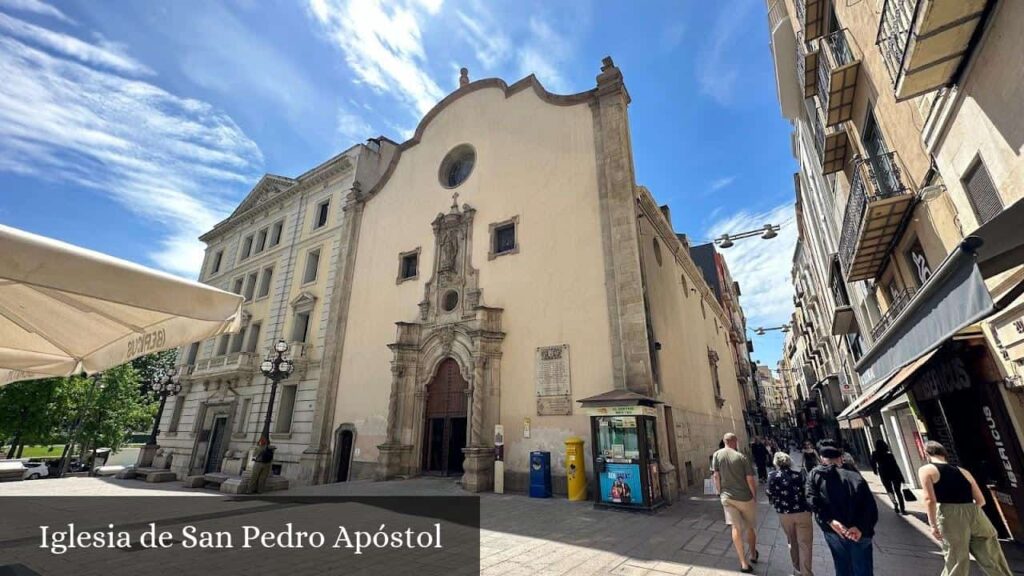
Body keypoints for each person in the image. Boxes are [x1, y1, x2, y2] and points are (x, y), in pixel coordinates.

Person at [918, 441, 1012, 576]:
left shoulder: (926, 470)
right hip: (975, 513)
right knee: (992, 558)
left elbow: (929, 500)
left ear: (926, 453)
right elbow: (981, 500)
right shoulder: (963, 471)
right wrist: (970, 512)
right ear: (944, 454)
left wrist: (933, 525)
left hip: (950, 513)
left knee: (956, 560)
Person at [807, 438, 878, 576]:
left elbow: (812, 500)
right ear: (840, 458)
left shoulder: (815, 475)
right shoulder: (855, 476)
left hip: (833, 530)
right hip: (858, 532)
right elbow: (869, 506)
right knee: (863, 569)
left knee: (842, 566)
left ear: (822, 458)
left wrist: (830, 521)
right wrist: (860, 527)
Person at [712, 432, 759, 573]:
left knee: (735, 528)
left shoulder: (716, 455)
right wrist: (754, 495)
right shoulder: (741, 457)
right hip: (744, 497)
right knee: (750, 527)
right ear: (735, 441)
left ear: (724, 441)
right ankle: (752, 554)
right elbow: (750, 479)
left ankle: (743, 563)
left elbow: (716, 475)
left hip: (727, 497)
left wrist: (719, 492)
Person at [767, 452, 814, 576]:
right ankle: (806, 573)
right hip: (802, 512)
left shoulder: (772, 476)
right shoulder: (799, 475)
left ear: (776, 462)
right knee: (805, 544)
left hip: (784, 514)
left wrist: (775, 502)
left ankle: (797, 569)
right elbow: (807, 492)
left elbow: (770, 494)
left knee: (792, 541)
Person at [870, 439, 906, 514]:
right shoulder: (889, 454)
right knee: (898, 491)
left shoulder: (875, 454)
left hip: (883, 473)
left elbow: (873, 463)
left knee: (889, 490)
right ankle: (902, 509)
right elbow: (896, 465)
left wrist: (875, 471)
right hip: (894, 473)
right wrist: (901, 477)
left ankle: (895, 503)